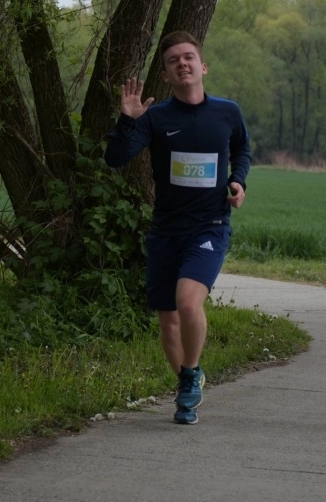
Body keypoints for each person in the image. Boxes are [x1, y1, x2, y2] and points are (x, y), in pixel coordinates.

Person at [104, 31, 251, 425]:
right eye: (173, 60)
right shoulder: (155, 118)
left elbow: (242, 149)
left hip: (209, 226)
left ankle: (189, 375)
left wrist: (238, 181)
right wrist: (127, 120)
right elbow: (115, 157)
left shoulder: (228, 113)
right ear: (167, 75)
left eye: (188, 57)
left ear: (203, 66)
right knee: (168, 323)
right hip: (166, 230)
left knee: (188, 303)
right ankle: (189, 384)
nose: (182, 63)